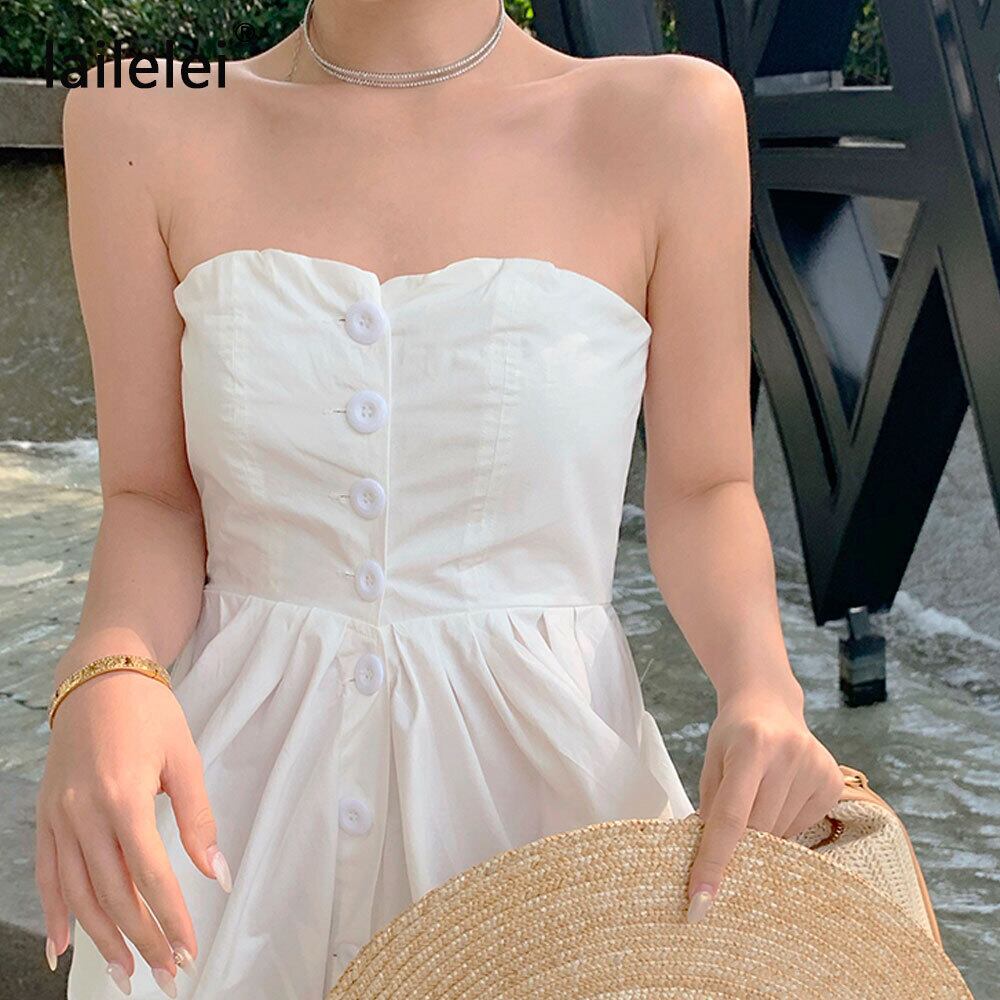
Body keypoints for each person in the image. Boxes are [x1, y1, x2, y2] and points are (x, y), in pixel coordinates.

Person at [36, 1, 844, 996]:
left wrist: (760, 685)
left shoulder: (670, 120)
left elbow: (705, 485)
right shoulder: (135, 115)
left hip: (546, 818)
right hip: (221, 837)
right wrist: (109, 666)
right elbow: (151, 496)